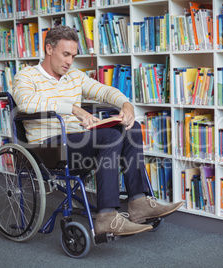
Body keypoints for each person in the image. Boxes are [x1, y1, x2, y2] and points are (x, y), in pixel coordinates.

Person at [13, 25, 183, 236]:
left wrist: (126, 105)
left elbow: (104, 91)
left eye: (73, 56)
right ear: (49, 49)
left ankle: (138, 202)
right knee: (110, 136)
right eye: (65, 54)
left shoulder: (74, 76)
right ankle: (106, 216)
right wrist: (73, 108)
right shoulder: (26, 76)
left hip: (75, 140)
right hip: (48, 145)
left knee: (132, 128)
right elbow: (27, 103)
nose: (69, 61)